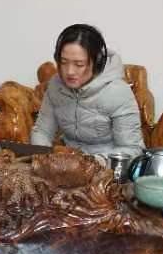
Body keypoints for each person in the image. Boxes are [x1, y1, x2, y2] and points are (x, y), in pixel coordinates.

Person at [30, 24, 144, 162]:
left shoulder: (118, 92)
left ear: (97, 62)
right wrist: (45, 159)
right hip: (68, 162)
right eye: (63, 62)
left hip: (106, 165)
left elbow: (132, 149)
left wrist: (92, 163)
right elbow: (42, 131)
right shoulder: (56, 85)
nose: (69, 71)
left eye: (79, 64)